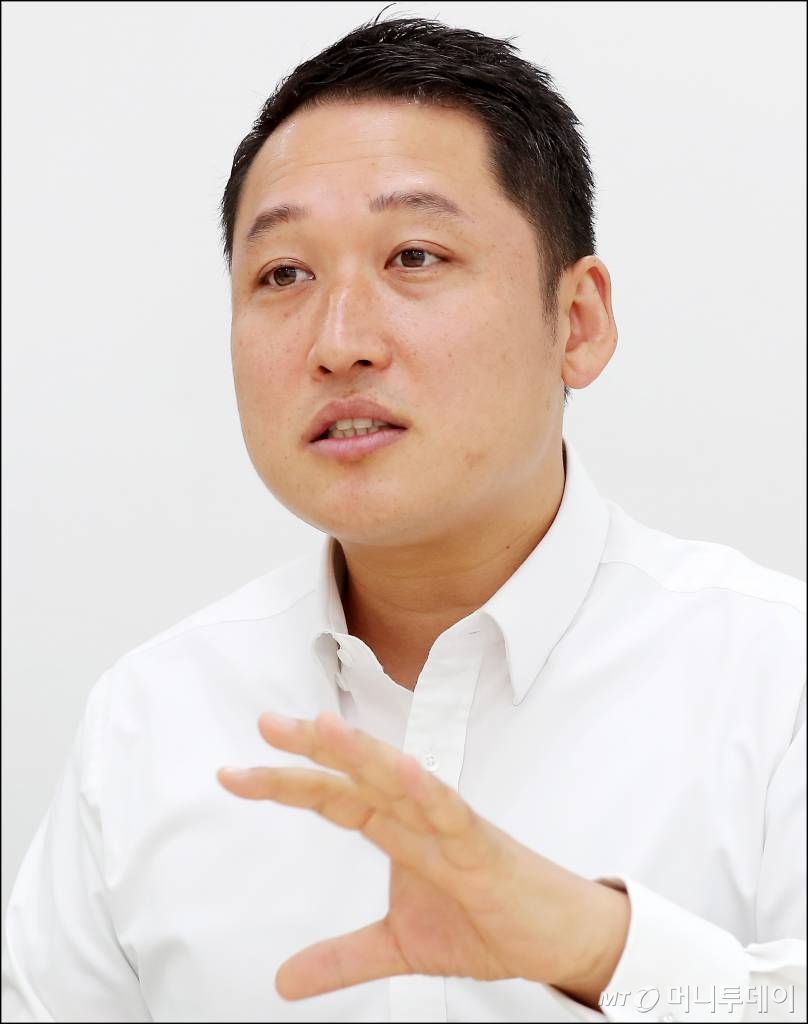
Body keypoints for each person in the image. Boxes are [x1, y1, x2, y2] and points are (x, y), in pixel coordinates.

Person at [2, 12, 805, 1023]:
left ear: (578, 322)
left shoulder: (776, 679)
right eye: (283, 274)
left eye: (415, 255)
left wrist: (602, 949)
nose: (339, 341)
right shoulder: (151, 718)